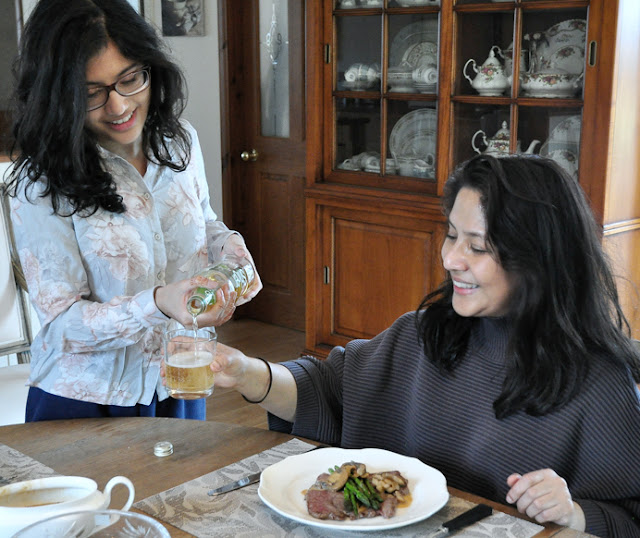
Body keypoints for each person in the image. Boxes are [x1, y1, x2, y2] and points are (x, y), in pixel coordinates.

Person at [203, 155, 640, 536]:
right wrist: (246, 373)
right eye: (452, 235)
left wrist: (573, 513)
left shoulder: (599, 384)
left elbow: (629, 518)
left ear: (539, 259)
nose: (451, 258)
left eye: (477, 246)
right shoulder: (426, 334)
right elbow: (328, 391)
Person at [5, 0, 262, 422]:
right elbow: (62, 326)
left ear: (151, 69)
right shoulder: (42, 181)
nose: (119, 107)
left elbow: (202, 221)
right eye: (91, 94)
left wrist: (230, 250)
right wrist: (158, 303)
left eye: (130, 80)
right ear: (59, 97)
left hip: (179, 379)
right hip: (84, 399)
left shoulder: (179, 142)